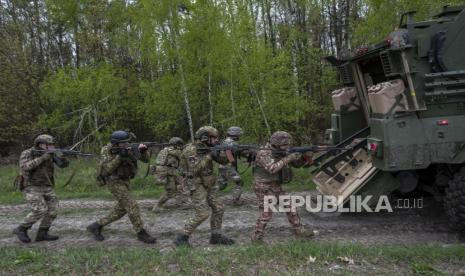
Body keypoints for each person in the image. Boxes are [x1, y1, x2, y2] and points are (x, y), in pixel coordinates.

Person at [87, 130, 156, 244]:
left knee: (122, 209)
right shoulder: (107, 150)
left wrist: (143, 151)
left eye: (127, 142)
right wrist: (120, 156)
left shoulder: (129, 147)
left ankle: (96, 225)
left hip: (125, 180)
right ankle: (141, 232)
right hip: (113, 181)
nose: (126, 145)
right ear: (115, 143)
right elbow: (107, 169)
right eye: (123, 143)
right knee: (132, 205)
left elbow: (145, 160)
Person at [173, 126, 235, 247]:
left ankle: (216, 236)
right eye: (214, 138)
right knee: (202, 213)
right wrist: (210, 155)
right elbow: (194, 169)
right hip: (195, 183)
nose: (217, 140)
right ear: (205, 138)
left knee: (219, 207)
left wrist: (228, 152)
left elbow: (223, 161)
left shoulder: (208, 147)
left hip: (208, 183)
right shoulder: (191, 150)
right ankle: (182, 237)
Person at [252, 131, 314, 242]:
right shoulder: (264, 152)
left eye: (287, 144)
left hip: (275, 185)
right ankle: (256, 238)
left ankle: (300, 232)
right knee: (266, 213)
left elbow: (297, 164)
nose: (286, 147)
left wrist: (305, 157)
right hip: (263, 185)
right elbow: (272, 168)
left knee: (290, 207)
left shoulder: (281, 151)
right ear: (276, 143)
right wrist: (288, 158)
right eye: (284, 145)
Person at [13, 134, 69, 243]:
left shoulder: (52, 152)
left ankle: (42, 234)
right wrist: (42, 158)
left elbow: (63, 165)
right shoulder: (28, 153)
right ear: (39, 144)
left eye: (52, 144)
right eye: (48, 145)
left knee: (53, 210)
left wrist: (62, 156)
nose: (50, 146)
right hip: (31, 186)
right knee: (39, 210)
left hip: (47, 186)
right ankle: (21, 229)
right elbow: (25, 167)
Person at [152, 137, 186, 211]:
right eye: (180, 145)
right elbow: (183, 156)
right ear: (176, 145)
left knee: (180, 184)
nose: (181, 146)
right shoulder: (175, 151)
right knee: (170, 190)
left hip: (167, 171)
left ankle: (182, 201)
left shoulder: (165, 149)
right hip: (167, 171)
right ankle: (157, 206)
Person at [217, 126, 245, 205]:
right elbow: (228, 151)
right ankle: (235, 201)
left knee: (222, 185)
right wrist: (232, 162)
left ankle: (207, 196)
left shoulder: (226, 141)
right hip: (228, 167)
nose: (239, 136)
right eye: (239, 134)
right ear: (235, 134)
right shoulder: (230, 142)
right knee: (239, 182)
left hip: (222, 166)